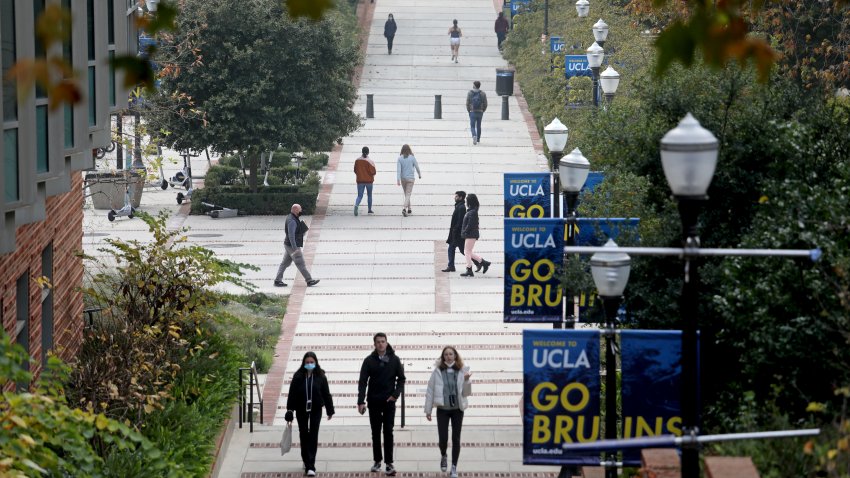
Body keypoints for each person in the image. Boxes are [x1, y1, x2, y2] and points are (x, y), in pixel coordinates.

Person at [357, 333, 406, 476]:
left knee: (388, 432)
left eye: (383, 341)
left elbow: (401, 379)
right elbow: (362, 382)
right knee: (376, 433)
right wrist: (361, 401)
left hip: (389, 402)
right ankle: (377, 461)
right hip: (373, 402)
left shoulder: (394, 360)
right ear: (374, 344)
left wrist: (395, 395)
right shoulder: (368, 361)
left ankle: (389, 463)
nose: (381, 344)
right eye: (378, 342)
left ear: (386, 343)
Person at [285, 352, 335, 477]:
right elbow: (292, 394)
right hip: (301, 409)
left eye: (311, 362)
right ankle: (306, 459)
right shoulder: (298, 377)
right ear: (303, 363)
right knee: (303, 434)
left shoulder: (321, 377)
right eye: (307, 362)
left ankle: (310, 465)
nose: (309, 364)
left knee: (313, 435)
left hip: (316, 409)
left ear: (316, 363)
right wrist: (290, 410)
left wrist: (330, 410)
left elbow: (326, 393)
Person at [424, 346, 472, 478]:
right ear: (443, 356)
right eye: (446, 354)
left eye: (451, 354)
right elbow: (430, 391)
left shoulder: (463, 371)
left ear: (455, 356)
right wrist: (428, 410)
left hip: (457, 409)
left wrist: (467, 380)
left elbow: (467, 393)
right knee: (443, 438)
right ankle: (444, 454)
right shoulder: (437, 371)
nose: (448, 356)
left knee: (456, 438)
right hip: (442, 410)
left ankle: (454, 467)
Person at [274, 204, 320, 287]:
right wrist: (295, 249)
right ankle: (309, 280)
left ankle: (277, 280)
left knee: (284, 263)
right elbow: (291, 235)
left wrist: (303, 229)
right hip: (292, 246)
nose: (301, 211)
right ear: (295, 210)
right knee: (300, 263)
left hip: (288, 245)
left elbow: (295, 233)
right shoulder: (292, 220)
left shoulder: (292, 217)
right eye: (300, 210)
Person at [460, 194, 491, 277]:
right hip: (470, 234)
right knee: (468, 251)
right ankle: (483, 262)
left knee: (466, 251)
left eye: (467, 201)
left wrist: (464, 231)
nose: (466, 202)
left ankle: (469, 269)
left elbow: (470, 224)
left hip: (470, 234)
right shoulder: (472, 211)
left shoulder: (472, 212)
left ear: (470, 202)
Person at [442, 191, 466, 272]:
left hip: (457, 234)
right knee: (455, 249)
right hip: (456, 233)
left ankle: (480, 262)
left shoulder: (461, 207)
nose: (454, 198)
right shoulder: (458, 206)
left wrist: (455, 230)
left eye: (456, 196)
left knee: (463, 251)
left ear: (461, 197)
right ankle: (451, 266)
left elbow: (460, 221)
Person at [396, 144, 421, 217]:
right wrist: (419, 174)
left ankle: (409, 208)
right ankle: (404, 208)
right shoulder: (412, 157)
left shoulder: (400, 158)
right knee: (408, 194)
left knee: (406, 194)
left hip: (403, 179)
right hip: (410, 179)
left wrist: (398, 180)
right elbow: (417, 166)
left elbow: (398, 170)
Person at [354, 146, 377, 216]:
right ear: (368, 152)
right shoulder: (370, 161)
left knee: (359, 196)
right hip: (369, 181)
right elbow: (374, 172)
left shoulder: (357, 160)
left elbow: (355, 170)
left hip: (360, 181)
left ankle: (356, 205)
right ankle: (369, 210)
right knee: (369, 195)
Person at [466, 81, 488, 145]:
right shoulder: (483, 93)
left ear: (474, 86)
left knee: (472, 126)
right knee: (479, 125)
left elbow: (467, 103)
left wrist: (469, 110)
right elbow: (486, 103)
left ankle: (474, 136)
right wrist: (483, 110)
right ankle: (478, 139)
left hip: (472, 111)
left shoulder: (470, 93)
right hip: (480, 112)